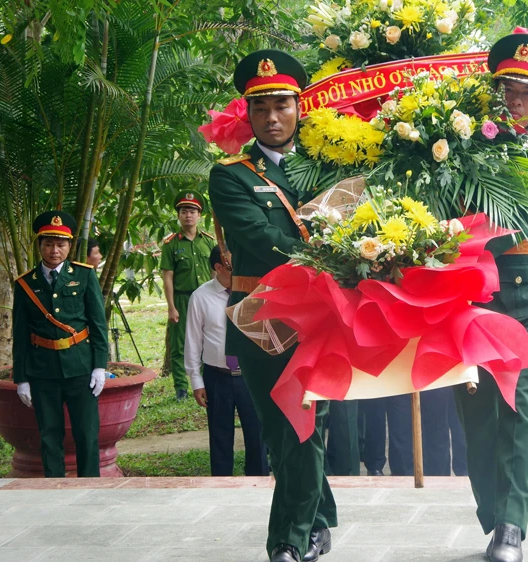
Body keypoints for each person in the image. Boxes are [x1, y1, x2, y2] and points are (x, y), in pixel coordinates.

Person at [208, 49, 336, 562]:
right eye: (261, 108)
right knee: (279, 427)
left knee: (304, 423)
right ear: (248, 114)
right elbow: (259, 239)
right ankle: (321, 517)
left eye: (282, 105)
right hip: (259, 314)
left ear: (299, 107)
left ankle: (290, 537)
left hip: (318, 316)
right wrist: (331, 250)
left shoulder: (328, 167)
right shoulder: (231, 175)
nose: (273, 117)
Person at [455, 29, 528, 562]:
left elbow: (513, 218)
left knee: (522, 408)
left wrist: (447, 230)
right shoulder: (459, 146)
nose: (516, 101)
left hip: (527, 302)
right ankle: (492, 512)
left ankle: (512, 527)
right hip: (468, 301)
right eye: (508, 89)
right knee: (478, 413)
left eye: (527, 92)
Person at [12, 210, 108, 478]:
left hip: (80, 366)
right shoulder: (25, 284)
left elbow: (97, 324)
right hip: (43, 370)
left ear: (69, 246)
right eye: (49, 244)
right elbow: (20, 334)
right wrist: (21, 378)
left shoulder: (85, 276)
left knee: (87, 433)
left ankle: (90, 488)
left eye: (61, 244)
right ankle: (53, 491)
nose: (55, 250)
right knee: (49, 435)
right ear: (40, 245)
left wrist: (99, 366)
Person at [185, 245, 268, 477]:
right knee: (220, 437)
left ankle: (258, 482)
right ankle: (221, 485)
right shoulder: (200, 297)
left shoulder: (253, 291)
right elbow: (193, 341)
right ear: (218, 267)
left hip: (250, 375)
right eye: (232, 265)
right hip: (217, 376)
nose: (238, 268)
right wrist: (196, 380)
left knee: (257, 435)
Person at [160, 191, 217, 401]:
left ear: (199, 215)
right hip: (182, 299)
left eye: (192, 211)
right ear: (178, 215)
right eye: (184, 211)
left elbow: (215, 272)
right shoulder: (171, 244)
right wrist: (171, 306)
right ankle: (181, 388)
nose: (188, 215)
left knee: (207, 339)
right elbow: (168, 277)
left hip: (206, 299)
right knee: (179, 344)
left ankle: (203, 383)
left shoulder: (209, 242)